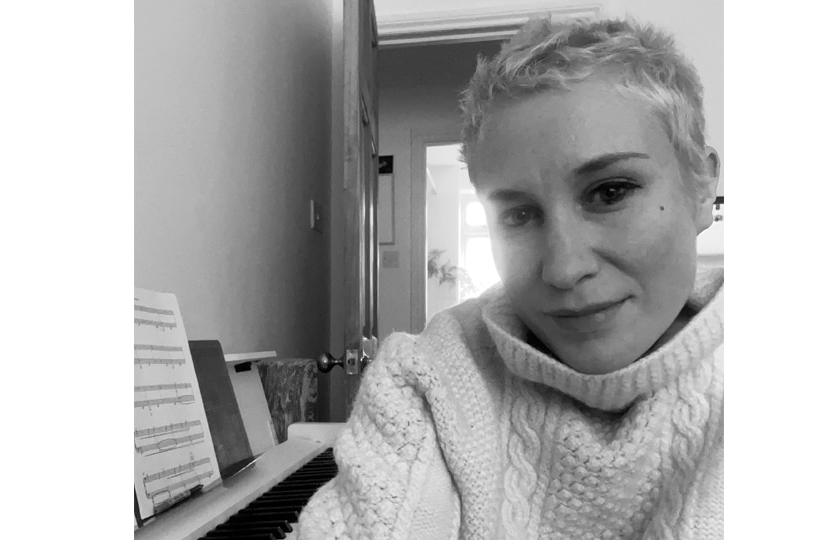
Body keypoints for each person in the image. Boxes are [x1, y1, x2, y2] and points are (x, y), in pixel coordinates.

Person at [296, 16, 722, 540]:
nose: (564, 269)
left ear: (702, 188)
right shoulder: (428, 375)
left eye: (609, 192)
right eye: (517, 216)